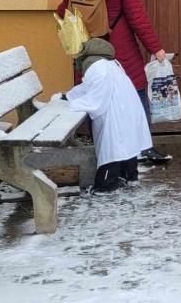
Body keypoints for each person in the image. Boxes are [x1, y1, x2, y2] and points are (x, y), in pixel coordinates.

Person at [57, 0, 171, 165]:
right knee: (136, 93)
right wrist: (156, 49)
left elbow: (62, 14)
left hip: (89, 54)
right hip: (120, 52)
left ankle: (98, 144)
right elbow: (139, 20)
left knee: (95, 96)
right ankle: (143, 147)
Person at [62, 38, 152, 193]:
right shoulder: (111, 65)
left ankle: (107, 184)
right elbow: (87, 87)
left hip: (116, 115)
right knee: (126, 144)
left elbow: (96, 102)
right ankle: (129, 176)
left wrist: (72, 104)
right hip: (126, 112)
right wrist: (69, 96)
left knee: (113, 148)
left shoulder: (98, 69)